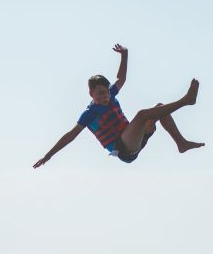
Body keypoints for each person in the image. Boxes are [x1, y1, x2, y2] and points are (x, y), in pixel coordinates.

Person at [33, 44, 203, 167]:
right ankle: (186, 101)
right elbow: (70, 136)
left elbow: (121, 79)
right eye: (101, 93)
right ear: (91, 93)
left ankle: (181, 143)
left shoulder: (111, 95)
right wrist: (48, 156)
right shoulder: (90, 113)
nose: (106, 96)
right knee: (143, 114)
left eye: (106, 92)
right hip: (123, 149)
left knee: (158, 108)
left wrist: (124, 55)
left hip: (136, 138)